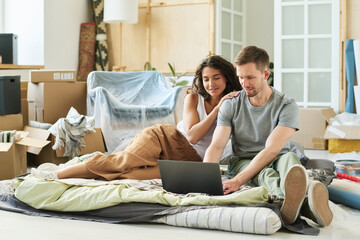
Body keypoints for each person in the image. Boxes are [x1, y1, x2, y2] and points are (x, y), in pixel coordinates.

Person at [31, 55, 241, 181]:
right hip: (168, 140)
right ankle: (58, 175)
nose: (211, 84)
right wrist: (216, 110)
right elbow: (193, 136)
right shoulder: (193, 98)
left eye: (216, 78)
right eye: (206, 79)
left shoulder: (234, 102)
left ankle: (74, 173)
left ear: (227, 78)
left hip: (191, 162)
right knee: (123, 161)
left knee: (126, 175)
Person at [203, 46, 333, 227]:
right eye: (240, 77)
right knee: (266, 173)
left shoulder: (287, 105)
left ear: (265, 74)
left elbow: (272, 150)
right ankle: (304, 202)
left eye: (250, 77)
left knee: (290, 159)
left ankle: (294, 200)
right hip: (243, 160)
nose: (244, 83)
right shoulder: (230, 104)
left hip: (277, 155)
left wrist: (238, 181)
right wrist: (205, 180)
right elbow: (216, 146)